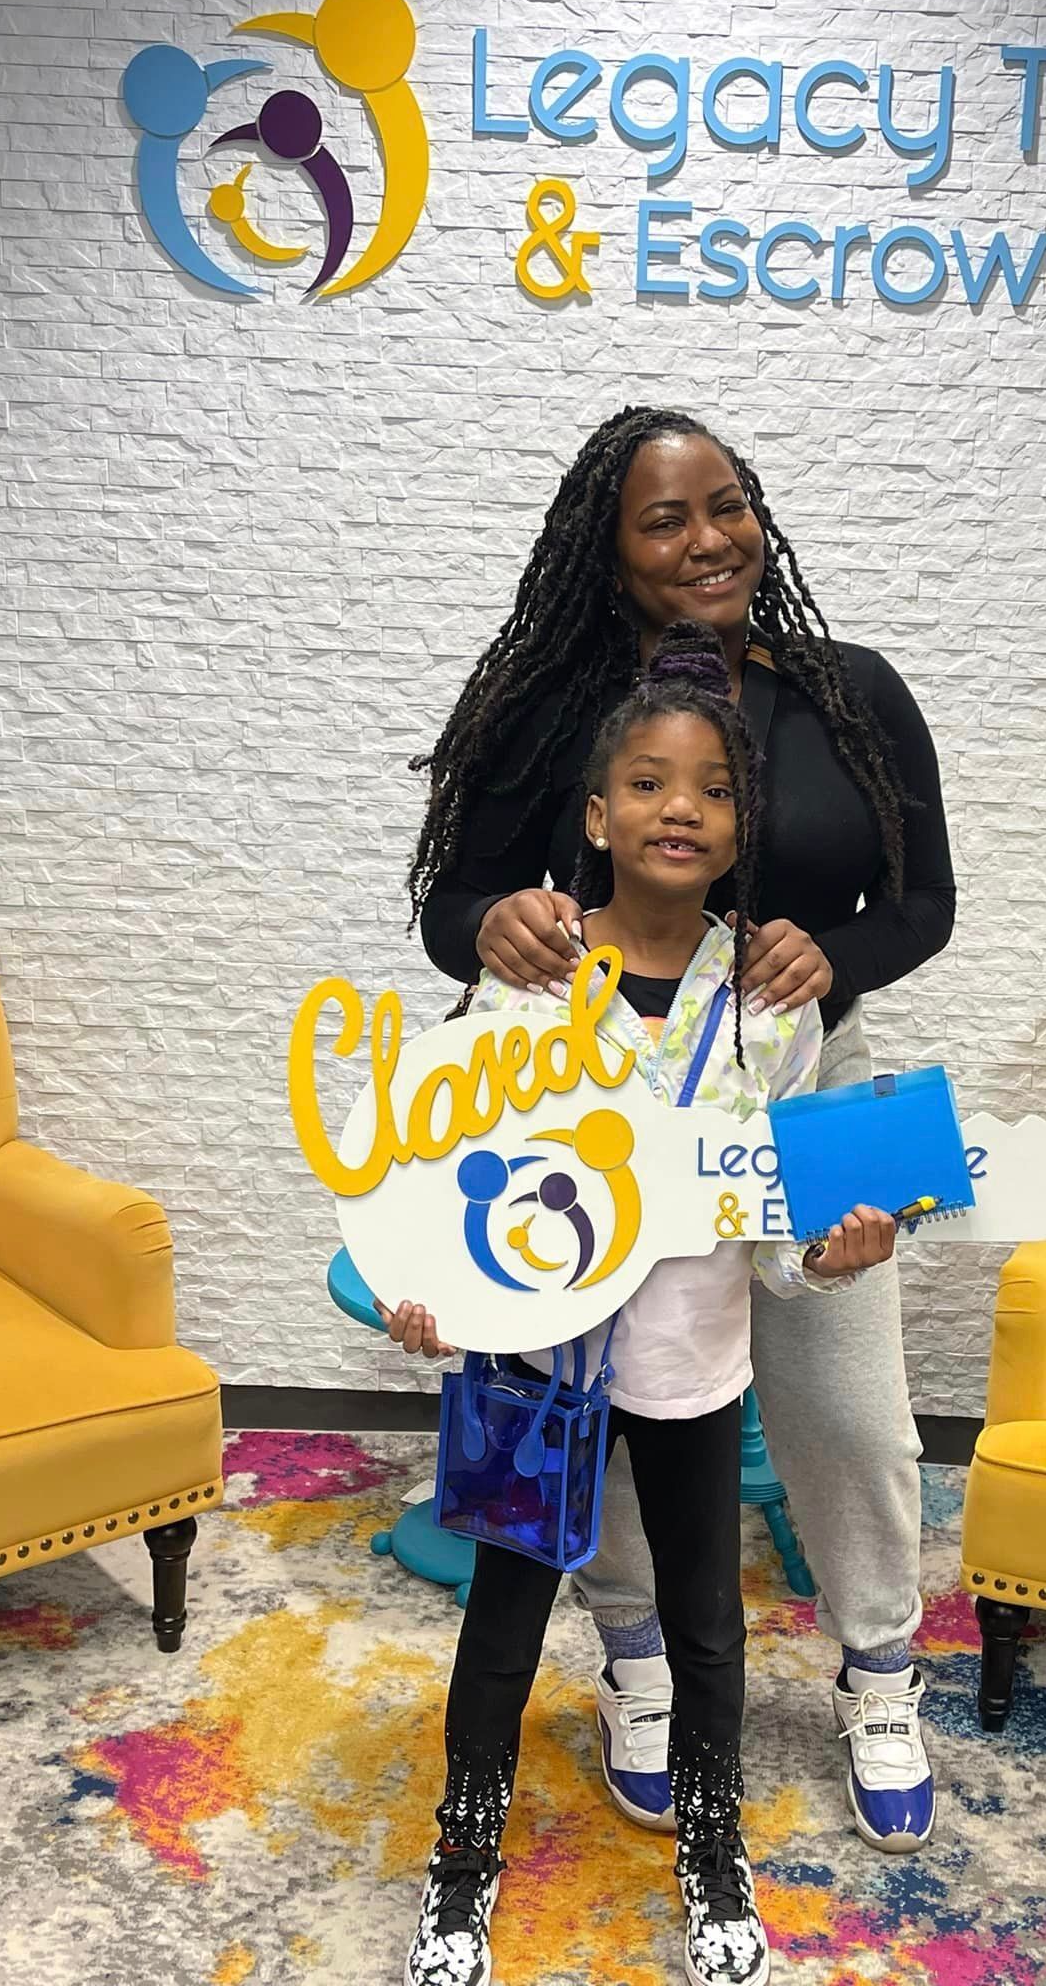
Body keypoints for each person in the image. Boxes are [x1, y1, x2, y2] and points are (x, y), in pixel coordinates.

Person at [407, 405, 957, 1855]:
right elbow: (450, 902)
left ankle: (881, 1672)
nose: (706, 538)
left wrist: (837, 959)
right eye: (665, 518)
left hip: (809, 1071)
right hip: (616, 1087)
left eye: (729, 505)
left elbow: (928, 905)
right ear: (613, 550)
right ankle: (638, 1662)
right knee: (626, 1390)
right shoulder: (559, 710)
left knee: (846, 1402)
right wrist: (501, 921)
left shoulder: (854, 691)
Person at [385, 624, 897, 1986]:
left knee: (705, 1622)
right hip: (531, 1363)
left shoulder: (772, 1007)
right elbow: (442, 1168)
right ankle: (463, 1854)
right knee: (503, 1620)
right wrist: (421, 1288)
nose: (684, 807)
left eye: (717, 791)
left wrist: (832, 1255)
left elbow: (777, 1225)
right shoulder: (524, 973)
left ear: (743, 830)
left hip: (689, 1365)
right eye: (652, 784)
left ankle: (714, 1846)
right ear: (599, 813)